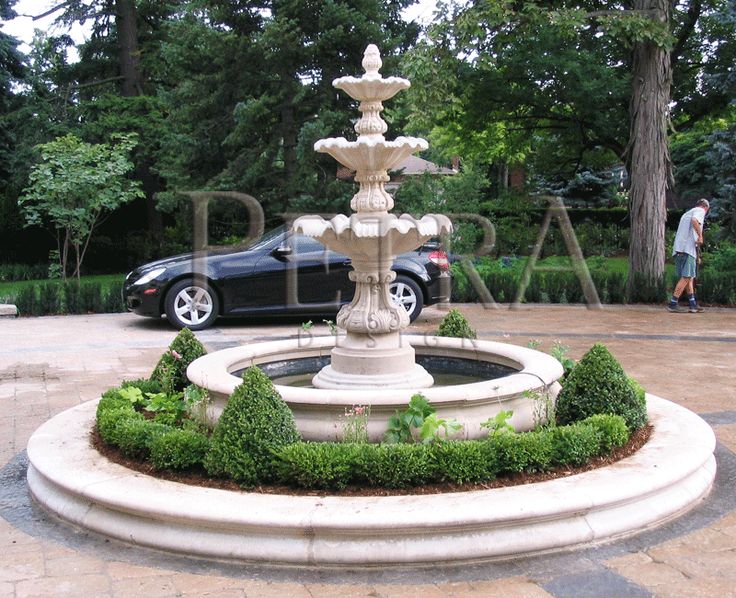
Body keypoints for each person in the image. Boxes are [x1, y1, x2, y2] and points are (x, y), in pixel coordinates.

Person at [668, 198, 709, 313]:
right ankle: (673, 303)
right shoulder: (700, 211)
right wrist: (701, 236)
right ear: (706, 208)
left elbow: (690, 233)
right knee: (686, 277)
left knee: (689, 278)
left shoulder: (687, 213)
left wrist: (697, 255)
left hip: (679, 249)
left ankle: (692, 304)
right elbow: (695, 221)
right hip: (687, 250)